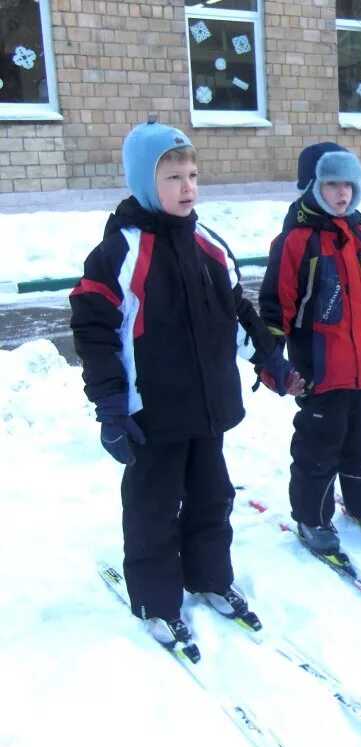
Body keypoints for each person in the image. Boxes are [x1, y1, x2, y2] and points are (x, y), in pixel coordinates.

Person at [70, 118, 301, 655]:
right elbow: (94, 332)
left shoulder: (209, 244)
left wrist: (271, 359)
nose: (188, 187)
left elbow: (238, 312)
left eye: (193, 175)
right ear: (145, 183)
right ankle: (156, 601)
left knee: (211, 498)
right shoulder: (118, 254)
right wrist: (110, 407)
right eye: (173, 177)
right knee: (153, 509)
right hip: (151, 415)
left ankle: (210, 578)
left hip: (208, 408)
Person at [259, 142, 361, 556]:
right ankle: (313, 518)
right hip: (319, 374)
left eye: (348, 185)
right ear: (311, 186)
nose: (342, 194)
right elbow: (273, 309)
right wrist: (274, 365)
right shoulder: (296, 242)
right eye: (331, 184)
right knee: (319, 450)